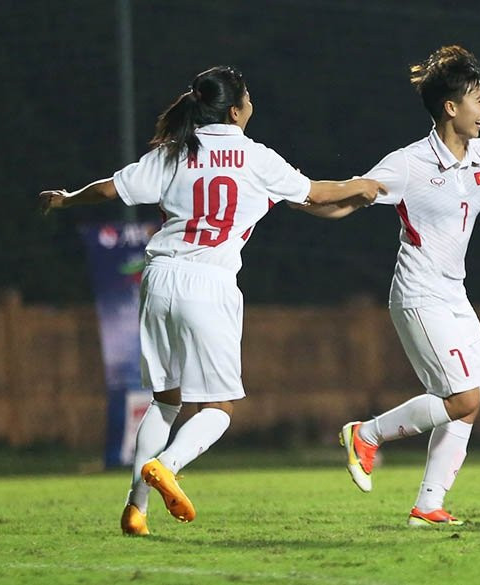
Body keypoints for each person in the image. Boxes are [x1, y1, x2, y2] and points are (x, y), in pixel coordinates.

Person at [39, 66, 384, 535]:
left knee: (164, 402)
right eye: (250, 96)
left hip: (159, 278)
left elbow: (108, 189)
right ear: (237, 108)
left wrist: (64, 199)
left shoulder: (177, 151)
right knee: (219, 409)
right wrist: (361, 186)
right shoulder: (254, 157)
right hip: (210, 282)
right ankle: (169, 466)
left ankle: (135, 509)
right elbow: (320, 195)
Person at [299, 46, 480, 526]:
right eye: (478, 99)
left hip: (455, 294)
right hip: (419, 293)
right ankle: (365, 434)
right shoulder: (408, 164)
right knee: (461, 397)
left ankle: (428, 505)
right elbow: (347, 199)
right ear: (451, 108)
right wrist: (294, 194)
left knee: (468, 404)